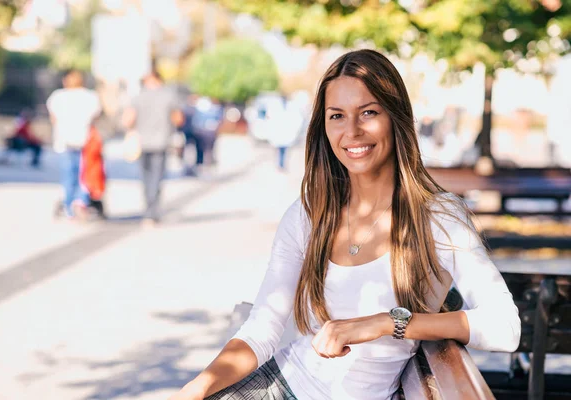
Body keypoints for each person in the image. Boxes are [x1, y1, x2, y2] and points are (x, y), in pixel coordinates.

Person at [170, 49, 521, 400]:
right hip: (280, 385)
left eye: (368, 112)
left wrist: (388, 322)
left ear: (395, 117)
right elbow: (262, 328)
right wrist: (195, 388)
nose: (351, 131)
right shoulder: (311, 212)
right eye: (337, 116)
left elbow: (505, 328)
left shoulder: (438, 217)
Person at [121, 71, 183, 225]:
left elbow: (128, 120)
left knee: (146, 177)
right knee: (157, 176)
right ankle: (152, 211)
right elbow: (178, 119)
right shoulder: (169, 96)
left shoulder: (138, 97)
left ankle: (149, 209)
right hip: (161, 142)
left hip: (142, 142)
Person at [47, 69, 101, 218]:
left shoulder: (58, 97)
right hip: (84, 140)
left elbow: (53, 119)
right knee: (83, 174)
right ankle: (80, 202)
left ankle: (70, 205)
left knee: (68, 174)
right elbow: (96, 118)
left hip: (65, 140)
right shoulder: (90, 97)